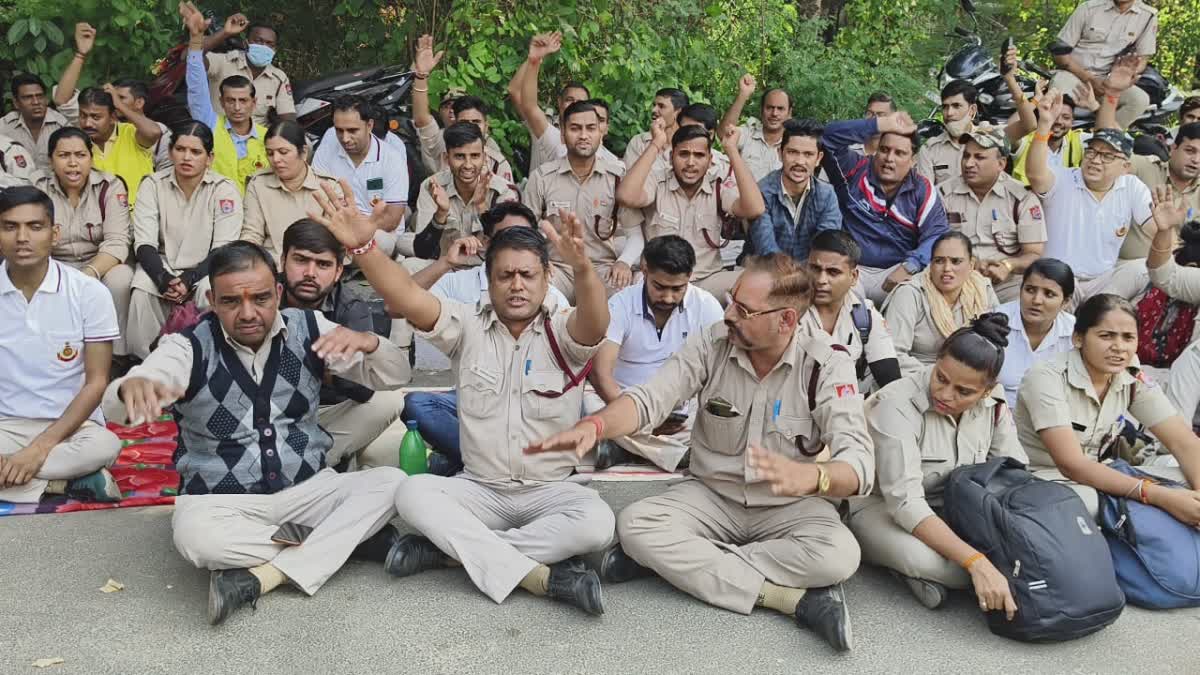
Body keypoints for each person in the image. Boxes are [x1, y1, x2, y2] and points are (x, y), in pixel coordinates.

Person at [528, 254, 874, 652]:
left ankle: (674, 567)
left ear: (786, 321)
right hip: (713, 497)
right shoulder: (713, 342)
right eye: (731, 300)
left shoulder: (826, 364)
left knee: (840, 555)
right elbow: (650, 400)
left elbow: (861, 465)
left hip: (787, 504)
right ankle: (791, 599)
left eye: (744, 310)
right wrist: (596, 425)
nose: (729, 314)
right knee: (638, 525)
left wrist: (814, 478)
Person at [309, 179, 617, 615]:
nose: (516, 285)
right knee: (412, 496)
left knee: (597, 525)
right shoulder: (466, 325)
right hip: (479, 491)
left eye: (528, 275)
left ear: (546, 278)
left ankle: (449, 554)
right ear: (487, 281)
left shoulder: (566, 329)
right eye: (504, 275)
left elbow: (597, 322)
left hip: (551, 490)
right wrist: (364, 250)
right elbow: (409, 299)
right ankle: (536, 573)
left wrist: (584, 268)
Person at [102, 241, 409, 625]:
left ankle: (266, 574)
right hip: (221, 502)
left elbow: (397, 375)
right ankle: (347, 540)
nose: (248, 313)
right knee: (197, 540)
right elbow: (125, 398)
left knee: (394, 484)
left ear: (278, 293)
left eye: (261, 298)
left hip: (308, 490)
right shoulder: (187, 346)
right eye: (231, 302)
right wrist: (134, 387)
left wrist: (371, 343)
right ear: (212, 299)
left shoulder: (309, 327)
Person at [849, 314, 1028, 615]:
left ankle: (940, 577)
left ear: (987, 390)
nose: (945, 394)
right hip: (879, 507)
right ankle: (921, 571)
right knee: (940, 564)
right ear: (936, 360)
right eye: (941, 377)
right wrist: (976, 561)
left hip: (954, 508)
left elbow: (1013, 471)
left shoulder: (992, 405)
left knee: (1011, 557)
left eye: (964, 391)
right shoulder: (897, 403)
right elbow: (905, 503)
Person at [401, 202, 569, 476]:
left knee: (579, 408)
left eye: (524, 237)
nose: (516, 245)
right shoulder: (459, 282)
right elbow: (399, 304)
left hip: (531, 402)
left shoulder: (549, 293)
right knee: (417, 405)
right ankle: (486, 460)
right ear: (488, 243)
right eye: (507, 237)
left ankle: (462, 460)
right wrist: (445, 263)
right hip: (474, 398)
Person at [1016, 293, 1200, 523]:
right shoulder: (1045, 378)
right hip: (1044, 481)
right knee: (1095, 504)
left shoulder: (1131, 375)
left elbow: (1183, 442)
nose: (1119, 347)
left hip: (1101, 476)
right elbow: (1072, 465)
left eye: (1128, 337)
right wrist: (1155, 495)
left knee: (1184, 479)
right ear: (1078, 338)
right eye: (1106, 336)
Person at [0, 186, 122, 504]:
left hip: (73, 427)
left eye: (34, 226)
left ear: (54, 234)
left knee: (106, 445)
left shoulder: (88, 292)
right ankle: (61, 484)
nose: (22, 237)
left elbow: (96, 382)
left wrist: (39, 448)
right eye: (10, 227)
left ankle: (21, 476)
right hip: (6, 425)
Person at [584, 235, 724, 472]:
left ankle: (625, 448)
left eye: (677, 288)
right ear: (645, 270)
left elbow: (720, 371)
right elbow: (601, 375)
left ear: (690, 276)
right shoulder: (620, 305)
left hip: (680, 412)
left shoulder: (707, 306)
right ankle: (670, 454)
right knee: (587, 403)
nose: (668, 297)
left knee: (712, 422)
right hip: (622, 403)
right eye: (660, 287)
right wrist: (637, 415)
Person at [277, 220, 409, 469]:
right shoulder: (264, 297)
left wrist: (320, 370)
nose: (310, 273)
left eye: (323, 264)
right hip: (270, 411)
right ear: (283, 260)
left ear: (338, 271)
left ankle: (312, 462)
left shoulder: (350, 307)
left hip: (328, 411)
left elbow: (363, 389)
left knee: (389, 400)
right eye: (301, 260)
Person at [1025, 90, 1152, 307]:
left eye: (1107, 156)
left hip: (1103, 282)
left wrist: (1169, 229)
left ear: (1125, 167)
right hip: (1057, 279)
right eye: (1092, 152)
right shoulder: (1064, 177)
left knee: (1144, 270)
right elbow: (1036, 175)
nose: (1095, 160)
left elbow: (1155, 229)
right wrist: (1044, 125)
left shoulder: (1132, 186)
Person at [127, 122, 242, 359]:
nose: (186, 157)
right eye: (180, 149)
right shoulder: (152, 184)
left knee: (212, 291)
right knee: (141, 289)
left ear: (209, 158)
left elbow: (224, 248)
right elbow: (144, 242)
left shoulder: (224, 189)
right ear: (170, 152)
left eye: (196, 152)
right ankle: (146, 362)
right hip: (161, 265)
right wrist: (163, 279)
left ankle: (209, 359)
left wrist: (189, 279)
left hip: (207, 269)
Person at [618, 123, 766, 300]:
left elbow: (755, 208)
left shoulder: (718, 187)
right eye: (683, 154)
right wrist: (656, 144)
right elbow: (626, 196)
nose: (690, 163)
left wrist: (732, 150)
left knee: (758, 282)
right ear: (672, 156)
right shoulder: (658, 182)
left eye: (699, 155)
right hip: (661, 280)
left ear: (710, 159)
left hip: (706, 280)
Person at [821, 111, 950, 305]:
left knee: (910, 295)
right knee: (844, 303)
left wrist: (911, 266)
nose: (889, 158)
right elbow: (827, 137)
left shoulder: (922, 190)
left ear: (913, 161)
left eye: (900, 153)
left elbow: (937, 234)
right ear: (876, 150)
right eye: (884, 149)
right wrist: (881, 123)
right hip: (852, 267)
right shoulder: (854, 170)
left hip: (898, 269)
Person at [34, 128, 135, 361]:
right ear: (51, 160)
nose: (72, 164)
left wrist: (88, 274)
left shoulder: (110, 187)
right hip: (55, 264)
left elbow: (117, 241)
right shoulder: (38, 189)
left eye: (80, 155)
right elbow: (34, 240)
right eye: (64, 156)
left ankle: (116, 355)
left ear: (91, 157)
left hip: (99, 265)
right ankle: (53, 353)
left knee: (121, 279)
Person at [525, 101, 635, 301]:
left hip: (601, 268)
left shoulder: (618, 177)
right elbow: (526, 231)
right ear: (562, 134)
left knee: (627, 297)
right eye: (575, 128)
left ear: (600, 133)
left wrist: (624, 262)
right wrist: (538, 260)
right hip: (557, 268)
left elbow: (635, 233)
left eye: (590, 128)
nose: (583, 135)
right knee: (539, 294)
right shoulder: (542, 178)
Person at [938, 125, 1046, 302]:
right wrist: (968, 265)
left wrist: (1008, 265)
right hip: (957, 281)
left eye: (979, 157)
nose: (969, 163)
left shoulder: (1021, 198)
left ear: (1001, 164)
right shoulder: (944, 194)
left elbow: (1034, 254)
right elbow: (933, 245)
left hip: (1007, 285)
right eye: (966, 156)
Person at [883, 232, 1000, 376]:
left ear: (971, 264)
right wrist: (941, 378)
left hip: (969, 378)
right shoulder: (911, 293)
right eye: (939, 261)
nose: (947, 269)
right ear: (930, 264)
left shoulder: (982, 288)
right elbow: (893, 354)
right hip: (915, 377)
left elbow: (996, 345)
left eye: (956, 261)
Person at [184, 5, 267, 194]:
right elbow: (196, 86)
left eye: (243, 101)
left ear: (254, 103)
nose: (237, 107)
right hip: (215, 212)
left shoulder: (268, 138)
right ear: (222, 103)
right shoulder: (210, 125)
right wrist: (196, 38)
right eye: (230, 101)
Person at [802, 231, 900, 391]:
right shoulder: (789, 311)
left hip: (847, 406)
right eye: (815, 269)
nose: (821, 280)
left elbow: (890, 381)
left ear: (854, 277)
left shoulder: (866, 316)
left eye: (833, 272)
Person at [507, 32, 618, 172]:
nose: (574, 105)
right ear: (563, 136)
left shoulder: (614, 165)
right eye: (569, 100)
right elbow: (525, 102)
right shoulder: (551, 135)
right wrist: (533, 60)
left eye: (592, 126)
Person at [915, 56, 1035, 186]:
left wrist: (1010, 80)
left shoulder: (992, 135)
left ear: (972, 110)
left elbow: (1029, 125)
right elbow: (925, 196)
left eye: (956, 106)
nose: (949, 113)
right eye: (945, 107)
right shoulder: (930, 149)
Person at [311, 96, 408, 254]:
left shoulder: (392, 158)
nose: (345, 138)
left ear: (369, 125)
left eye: (352, 131)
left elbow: (392, 219)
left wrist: (354, 227)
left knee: (380, 242)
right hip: (335, 226)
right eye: (339, 130)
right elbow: (315, 195)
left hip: (377, 232)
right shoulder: (328, 144)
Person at [410, 35, 513, 183]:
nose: (470, 126)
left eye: (476, 121)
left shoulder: (497, 162)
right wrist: (421, 76)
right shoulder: (443, 143)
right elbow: (421, 120)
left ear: (486, 126)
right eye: (464, 121)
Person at [414, 122, 518, 259]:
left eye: (474, 156)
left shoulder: (502, 190)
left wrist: (482, 208)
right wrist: (441, 214)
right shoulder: (432, 186)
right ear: (446, 159)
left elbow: (511, 247)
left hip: (489, 271)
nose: (468, 165)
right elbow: (422, 252)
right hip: (447, 268)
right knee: (409, 266)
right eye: (459, 156)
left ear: (484, 157)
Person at [1050, 0, 1157, 129]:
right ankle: (1049, 141)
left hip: (1109, 81)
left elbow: (1142, 60)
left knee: (1139, 100)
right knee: (1058, 92)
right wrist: (1089, 79)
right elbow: (1060, 55)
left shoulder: (1147, 16)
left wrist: (1120, 77)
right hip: (1073, 74)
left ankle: (1105, 140)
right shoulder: (1089, 8)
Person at [242, 120, 339, 260]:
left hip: (314, 266)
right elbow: (252, 234)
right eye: (270, 153)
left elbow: (332, 241)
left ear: (304, 152)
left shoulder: (328, 187)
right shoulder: (258, 185)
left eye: (283, 152)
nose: (276, 159)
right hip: (270, 267)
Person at [749, 118, 842, 263]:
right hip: (765, 270)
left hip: (810, 274)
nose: (799, 161)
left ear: (818, 158)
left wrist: (804, 276)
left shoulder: (827, 194)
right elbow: (766, 249)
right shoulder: (762, 191)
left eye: (808, 154)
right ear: (780, 153)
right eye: (792, 152)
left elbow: (825, 246)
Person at [189, 6, 295, 126]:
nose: (263, 46)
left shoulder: (279, 78)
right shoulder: (223, 62)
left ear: (275, 50)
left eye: (269, 44)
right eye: (258, 41)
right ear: (246, 43)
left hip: (257, 141)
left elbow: (288, 118)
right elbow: (189, 58)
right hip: (218, 136)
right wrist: (225, 32)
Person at [997, 258, 1077, 408]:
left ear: (1065, 302)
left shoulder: (1074, 332)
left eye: (1049, 294)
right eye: (1030, 290)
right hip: (999, 416)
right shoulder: (996, 322)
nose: (1036, 300)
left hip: (1052, 415)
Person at [1119, 123, 1200, 260]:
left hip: (1179, 273)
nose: (1196, 160)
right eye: (1190, 151)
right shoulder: (1144, 167)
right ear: (1173, 148)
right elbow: (1110, 158)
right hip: (1132, 267)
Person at [76, 86, 161, 204]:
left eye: (96, 117)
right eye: (83, 116)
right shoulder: (76, 143)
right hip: (96, 218)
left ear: (112, 117)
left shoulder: (131, 133)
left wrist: (120, 106)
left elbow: (154, 132)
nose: (87, 123)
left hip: (139, 217)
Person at [718, 74, 791, 181]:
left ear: (789, 113)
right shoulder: (748, 134)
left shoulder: (794, 142)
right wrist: (743, 94)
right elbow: (724, 134)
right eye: (769, 108)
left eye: (780, 109)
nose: (774, 113)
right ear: (761, 110)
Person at [1011, 92, 1088, 185]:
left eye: (1066, 117)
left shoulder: (1077, 140)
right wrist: (1036, 100)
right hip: (1028, 198)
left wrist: (1096, 108)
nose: (1059, 121)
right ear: (1042, 116)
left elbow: (1107, 136)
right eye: (1054, 115)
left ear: (1072, 122)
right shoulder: (1026, 140)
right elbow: (1007, 132)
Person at [0, 74, 71, 171]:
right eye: (28, 97)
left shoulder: (63, 126)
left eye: (40, 96)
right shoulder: (4, 126)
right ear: (16, 103)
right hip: (17, 184)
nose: (36, 102)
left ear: (46, 99)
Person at [109, 79, 173, 171]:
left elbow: (167, 173)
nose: (114, 103)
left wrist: (119, 105)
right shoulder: (108, 129)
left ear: (139, 103)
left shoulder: (162, 132)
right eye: (112, 98)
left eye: (121, 98)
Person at [623, 87, 689, 168]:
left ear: (678, 112)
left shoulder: (691, 144)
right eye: (654, 105)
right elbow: (628, 178)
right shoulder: (639, 142)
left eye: (661, 106)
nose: (653, 110)